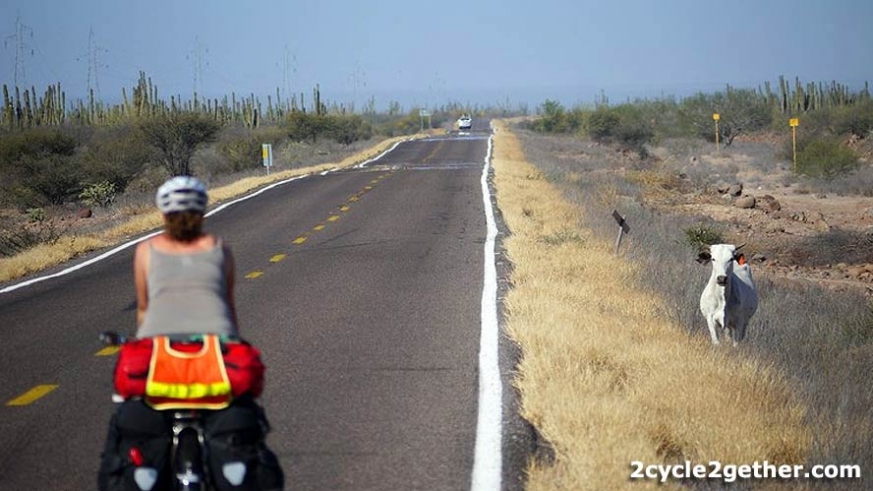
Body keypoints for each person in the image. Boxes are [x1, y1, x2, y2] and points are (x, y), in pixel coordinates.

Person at [98, 176, 283, 491]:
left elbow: (144, 307)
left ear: (162, 213)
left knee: (127, 422)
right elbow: (227, 305)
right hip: (214, 358)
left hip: (161, 361)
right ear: (203, 211)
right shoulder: (219, 249)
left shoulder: (146, 250)